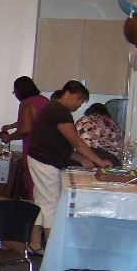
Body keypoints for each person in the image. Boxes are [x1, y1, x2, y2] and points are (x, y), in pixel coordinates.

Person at [27, 80, 113, 254]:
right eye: (79, 101)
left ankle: (34, 244)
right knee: (51, 204)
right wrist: (99, 161)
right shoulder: (59, 111)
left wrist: (81, 159)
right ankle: (53, 251)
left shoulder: (53, 108)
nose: (79, 105)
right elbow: (76, 142)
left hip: (40, 158)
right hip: (45, 162)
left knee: (42, 202)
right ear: (71, 95)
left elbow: (59, 144)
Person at [0, 76, 49, 199]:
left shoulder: (26, 103)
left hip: (33, 151)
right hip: (48, 151)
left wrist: (9, 138)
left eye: (15, 92)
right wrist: (10, 126)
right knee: (45, 189)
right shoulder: (44, 100)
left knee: (33, 187)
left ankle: (34, 214)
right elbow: (34, 120)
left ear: (20, 91)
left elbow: (26, 129)